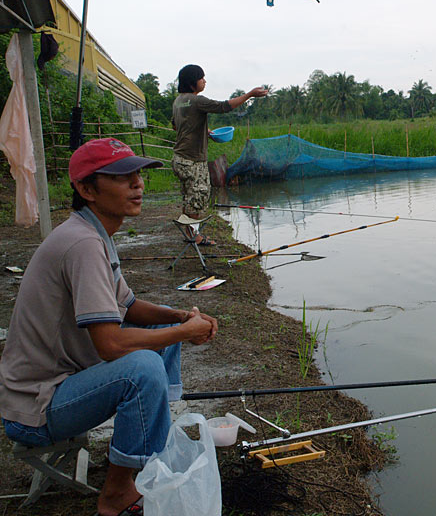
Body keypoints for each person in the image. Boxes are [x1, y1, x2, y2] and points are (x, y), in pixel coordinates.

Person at [0, 138, 218, 516]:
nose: (138, 184)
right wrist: (184, 332)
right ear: (87, 190)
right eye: (122, 177)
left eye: (138, 175)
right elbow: (111, 346)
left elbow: (128, 306)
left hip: (63, 386)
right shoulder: (82, 244)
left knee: (158, 341)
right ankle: (117, 494)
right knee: (143, 367)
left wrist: (180, 317)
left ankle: (151, 450)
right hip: (36, 407)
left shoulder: (94, 234)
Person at [172, 64, 268, 245]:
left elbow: (176, 125)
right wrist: (249, 95)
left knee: (189, 195)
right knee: (199, 196)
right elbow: (224, 107)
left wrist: (204, 130)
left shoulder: (178, 101)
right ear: (193, 83)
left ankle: (189, 232)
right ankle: (194, 236)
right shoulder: (196, 101)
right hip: (193, 159)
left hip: (179, 158)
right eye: (202, 78)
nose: (205, 81)